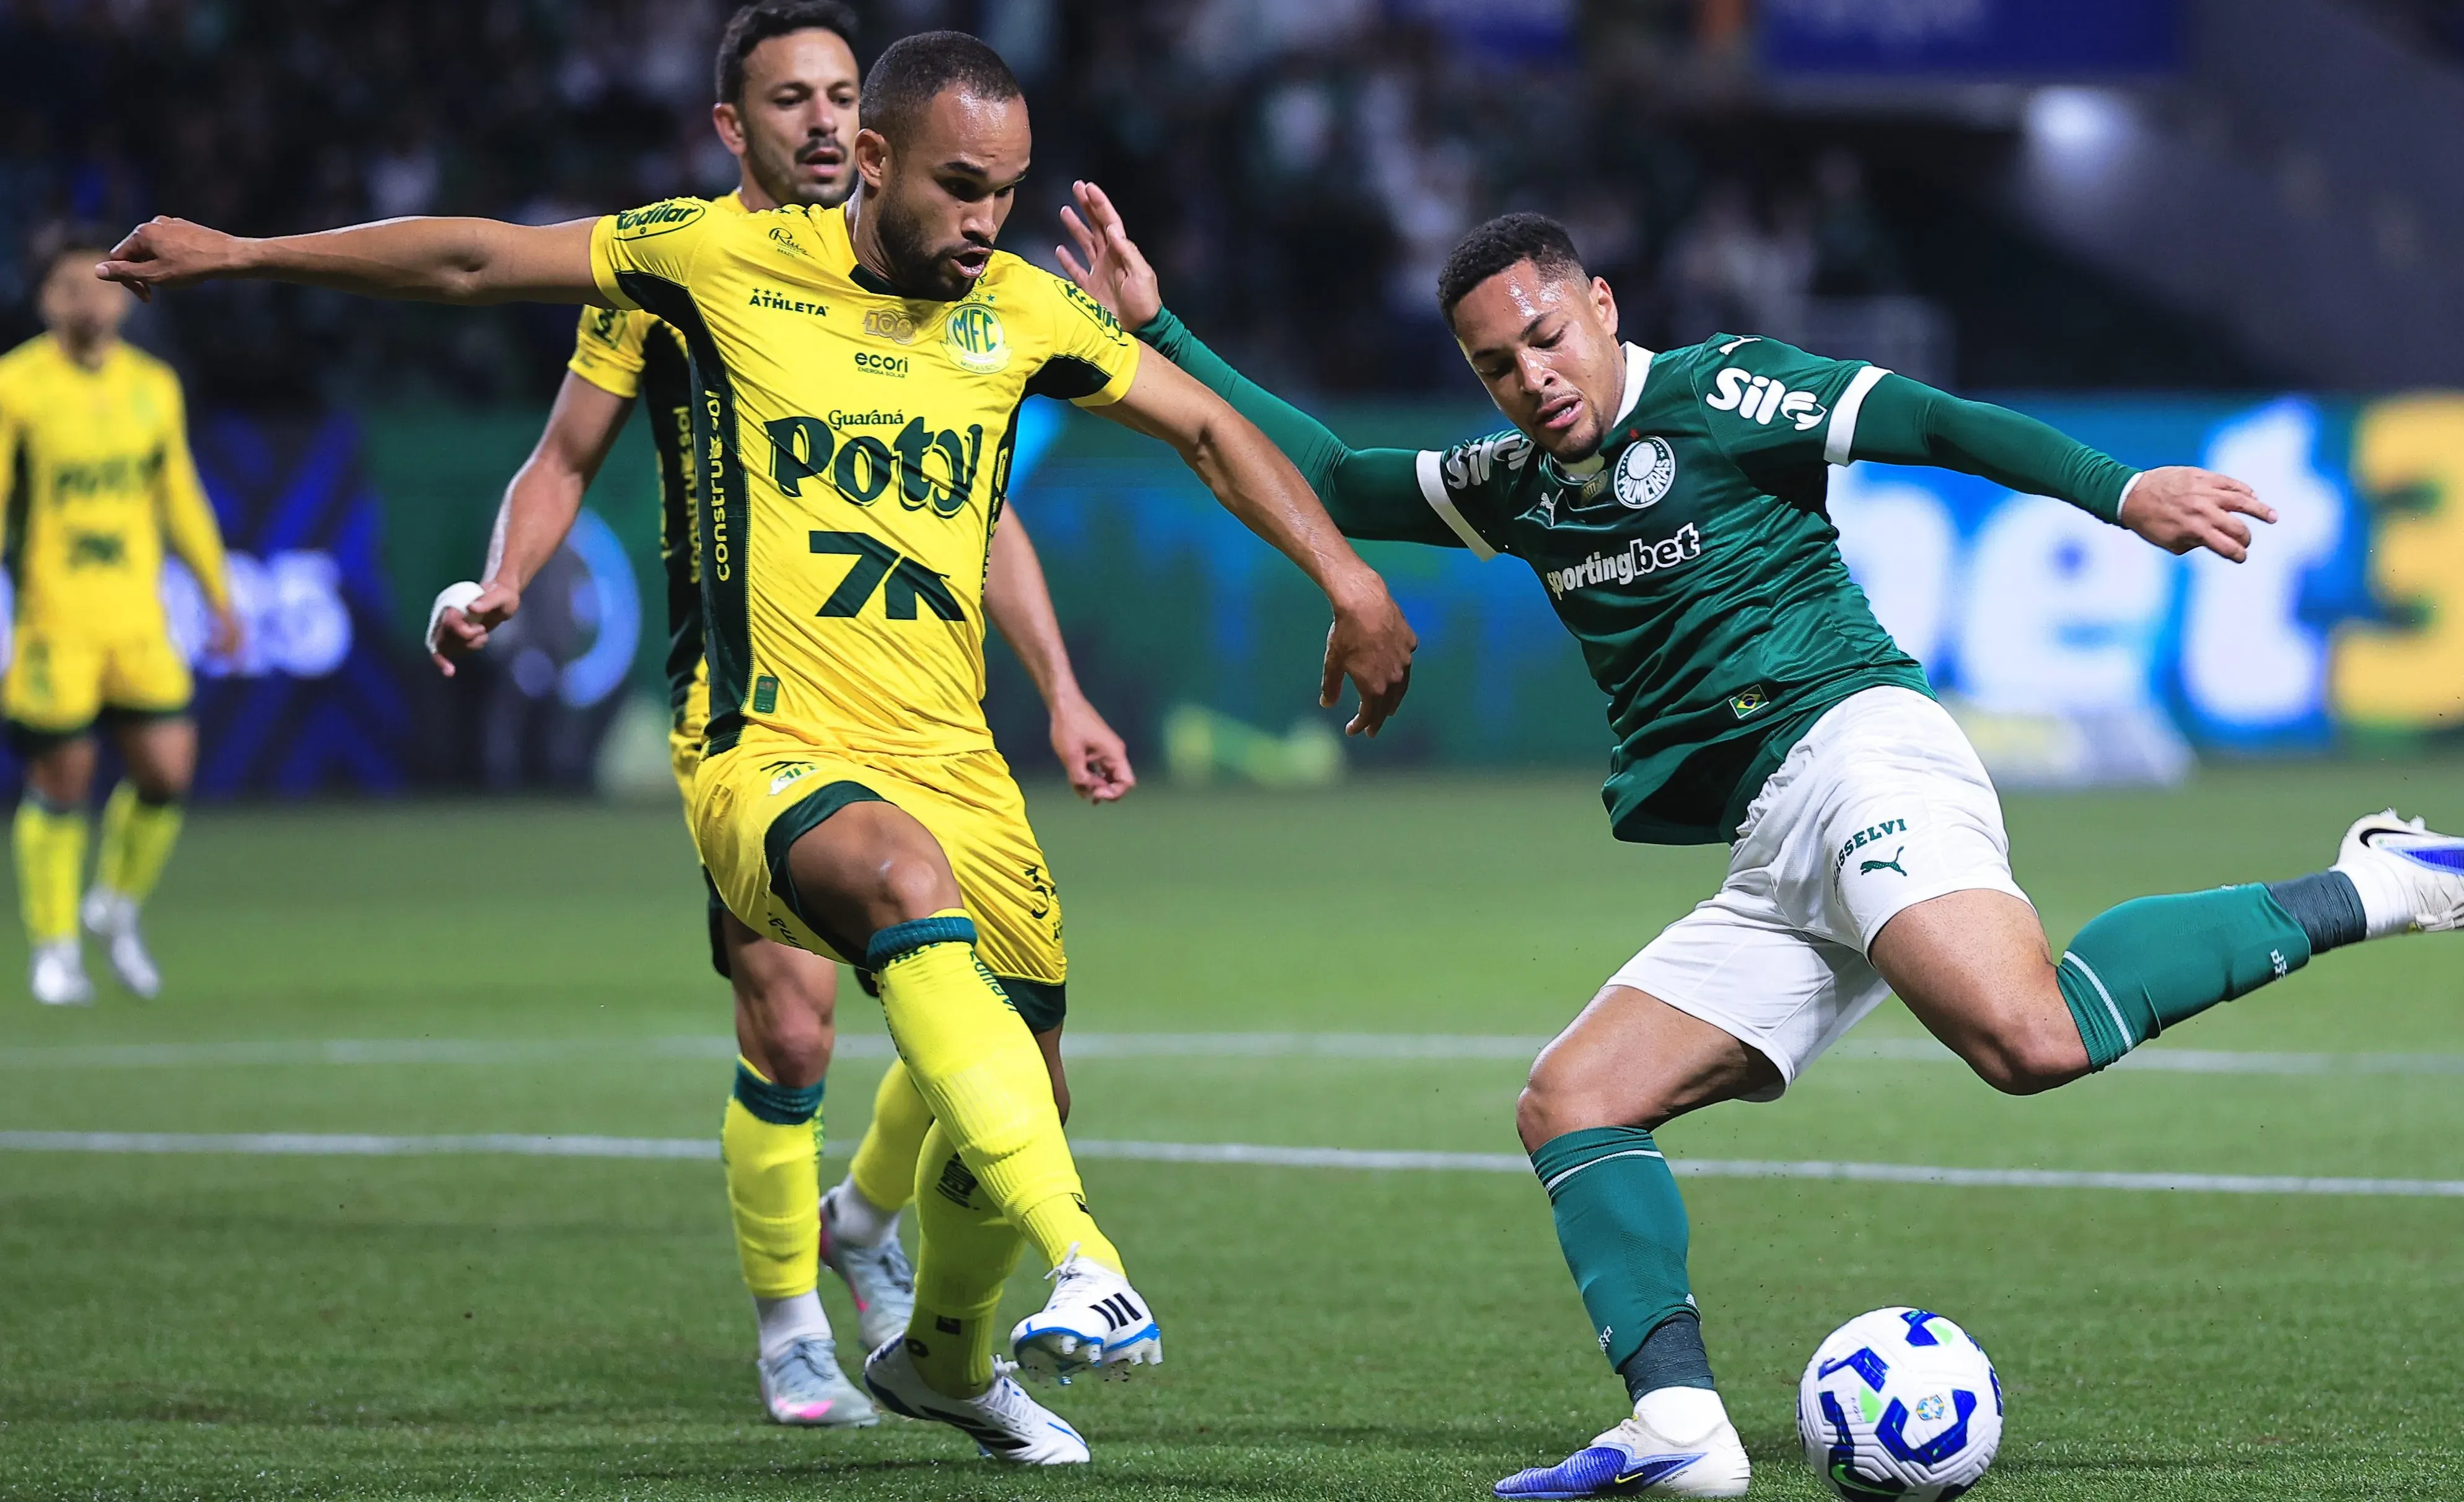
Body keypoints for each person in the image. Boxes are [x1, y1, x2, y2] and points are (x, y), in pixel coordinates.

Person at [1052, 190, 2464, 1498]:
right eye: (1490, 364)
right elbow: (1324, 478)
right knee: (1570, 1101)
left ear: (1599, 305)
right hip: (1765, 848)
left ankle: (2387, 879)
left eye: (1545, 336)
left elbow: (1926, 419)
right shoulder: (1515, 487)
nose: (1527, 378)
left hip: (1856, 748)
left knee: (2026, 1037)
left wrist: (2119, 492)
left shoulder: (1727, 390)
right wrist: (1158, 336)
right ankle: (1680, 1425)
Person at [101, 31, 1418, 1466]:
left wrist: (1344, 584)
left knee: (1023, 1073)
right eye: (962, 187)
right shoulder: (705, 267)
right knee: (859, 942)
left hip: (951, 751)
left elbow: (1197, 438)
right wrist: (240, 254)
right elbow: (480, 265)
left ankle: (948, 1359)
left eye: (1007, 190)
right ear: (867, 161)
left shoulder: (1021, 314)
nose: (987, 219)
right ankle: (1060, 1260)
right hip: (763, 740)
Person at [424, 1, 1129, 1432]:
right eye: (788, 98)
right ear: (731, 125)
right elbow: (563, 452)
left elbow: (974, 510)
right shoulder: (674, 265)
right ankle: (791, 1323)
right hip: (743, 703)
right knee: (796, 1027)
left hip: (920, 706)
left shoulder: (926, 286)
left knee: (967, 990)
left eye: (837, 93)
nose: (819, 120)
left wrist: (1057, 685)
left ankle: (865, 1217)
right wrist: (504, 579)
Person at [0, 227, 240, 1007]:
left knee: (168, 772)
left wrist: (219, 596)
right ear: (46, 299)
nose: (90, 302)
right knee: (63, 779)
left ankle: (113, 907)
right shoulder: (16, 387)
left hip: (136, 620)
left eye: (103, 286)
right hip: (55, 619)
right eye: (72, 287)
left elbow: (180, 499)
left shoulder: (154, 387)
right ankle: (54, 948)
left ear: (128, 297)